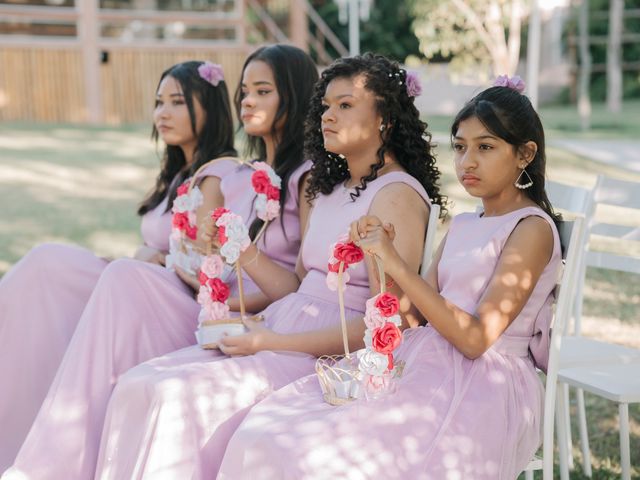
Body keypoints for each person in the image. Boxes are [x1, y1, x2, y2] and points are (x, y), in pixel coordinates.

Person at [92, 53, 445, 479]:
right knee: (139, 383)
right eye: (326, 106)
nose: (327, 116)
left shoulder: (396, 195)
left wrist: (274, 341)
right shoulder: (327, 189)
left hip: (327, 352)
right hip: (280, 325)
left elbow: (389, 325)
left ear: (385, 119)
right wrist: (241, 250)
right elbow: (296, 283)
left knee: (175, 395)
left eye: (345, 105)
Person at [218, 77, 563, 479]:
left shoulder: (531, 229)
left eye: (485, 147)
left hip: (482, 381)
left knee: (327, 455)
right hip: (426, 357)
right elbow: (412, 313)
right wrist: (371, 261)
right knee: (271, 429)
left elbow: (474, 340)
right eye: (460, 147)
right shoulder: (468, 222)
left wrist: (396, 263)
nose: (467, 161)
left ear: (525, 154)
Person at [1, 45, 318, 480]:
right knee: (81, 270)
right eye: (244, 91)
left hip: (248, 315)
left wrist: (217, 285)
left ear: (295, 97)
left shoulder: (304, 180)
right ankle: (54, 448)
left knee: (124, 276)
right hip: (213, 303)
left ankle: (60, 455)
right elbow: (214, 266)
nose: (246, 101)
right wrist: (204, 272)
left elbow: (297, 284)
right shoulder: (244, 177)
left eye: (262, 91)